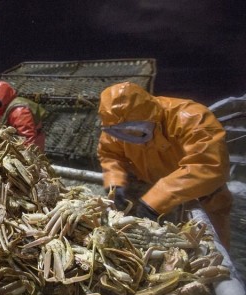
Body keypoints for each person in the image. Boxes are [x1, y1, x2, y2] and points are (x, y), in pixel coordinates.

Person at [97, 81, 233, 248]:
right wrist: (115, 183)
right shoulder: (116, 127)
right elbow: (110, 154)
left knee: (211, 246)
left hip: (203, 194)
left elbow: (209, 164)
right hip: (147, 184)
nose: (127, 135)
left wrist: (155, 201)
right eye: (119, 131)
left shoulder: (193, 118)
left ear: (150, 118)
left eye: (133, 129)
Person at [0, 81, 47, 150]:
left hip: (31, 144)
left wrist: (26, 155)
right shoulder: (4, 106)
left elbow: (28, 137)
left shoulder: (19, 111)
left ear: (4, 98)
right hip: (17, 140)